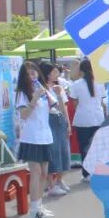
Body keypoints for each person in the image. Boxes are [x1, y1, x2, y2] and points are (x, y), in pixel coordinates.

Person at [14, 61, 55, 218]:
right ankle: (34, 211)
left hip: (45, 136)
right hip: (31, 137)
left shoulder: (43, 89)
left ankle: (39, 206)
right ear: (23, 77)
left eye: (34, 72)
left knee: (44, 172)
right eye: (29, 74)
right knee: (36, 172)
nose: (32, 76)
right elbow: (24, 115)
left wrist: (54, 96)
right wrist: (34, 99)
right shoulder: (22, 93)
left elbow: (52, 108)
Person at [69, 57, 106, 182]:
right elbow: (101, 101)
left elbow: (75, 103)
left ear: (81, 70)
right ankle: (98, 171)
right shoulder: (100, 83)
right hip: (98, 118)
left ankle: (87, 173)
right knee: (97, 146)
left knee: (84, 147)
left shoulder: (76, 84)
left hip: (83, 118)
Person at [38, 61, 72, 198]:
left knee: (63, 150)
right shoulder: (40, 88)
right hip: (48, 120)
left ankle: (59, 180)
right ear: (47, 73)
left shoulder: (59, 87)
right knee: (52, 151)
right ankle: (51, 183)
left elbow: (63, 107)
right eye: (54, 71)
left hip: (59, 119)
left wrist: (68, 122)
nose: (57, 74)